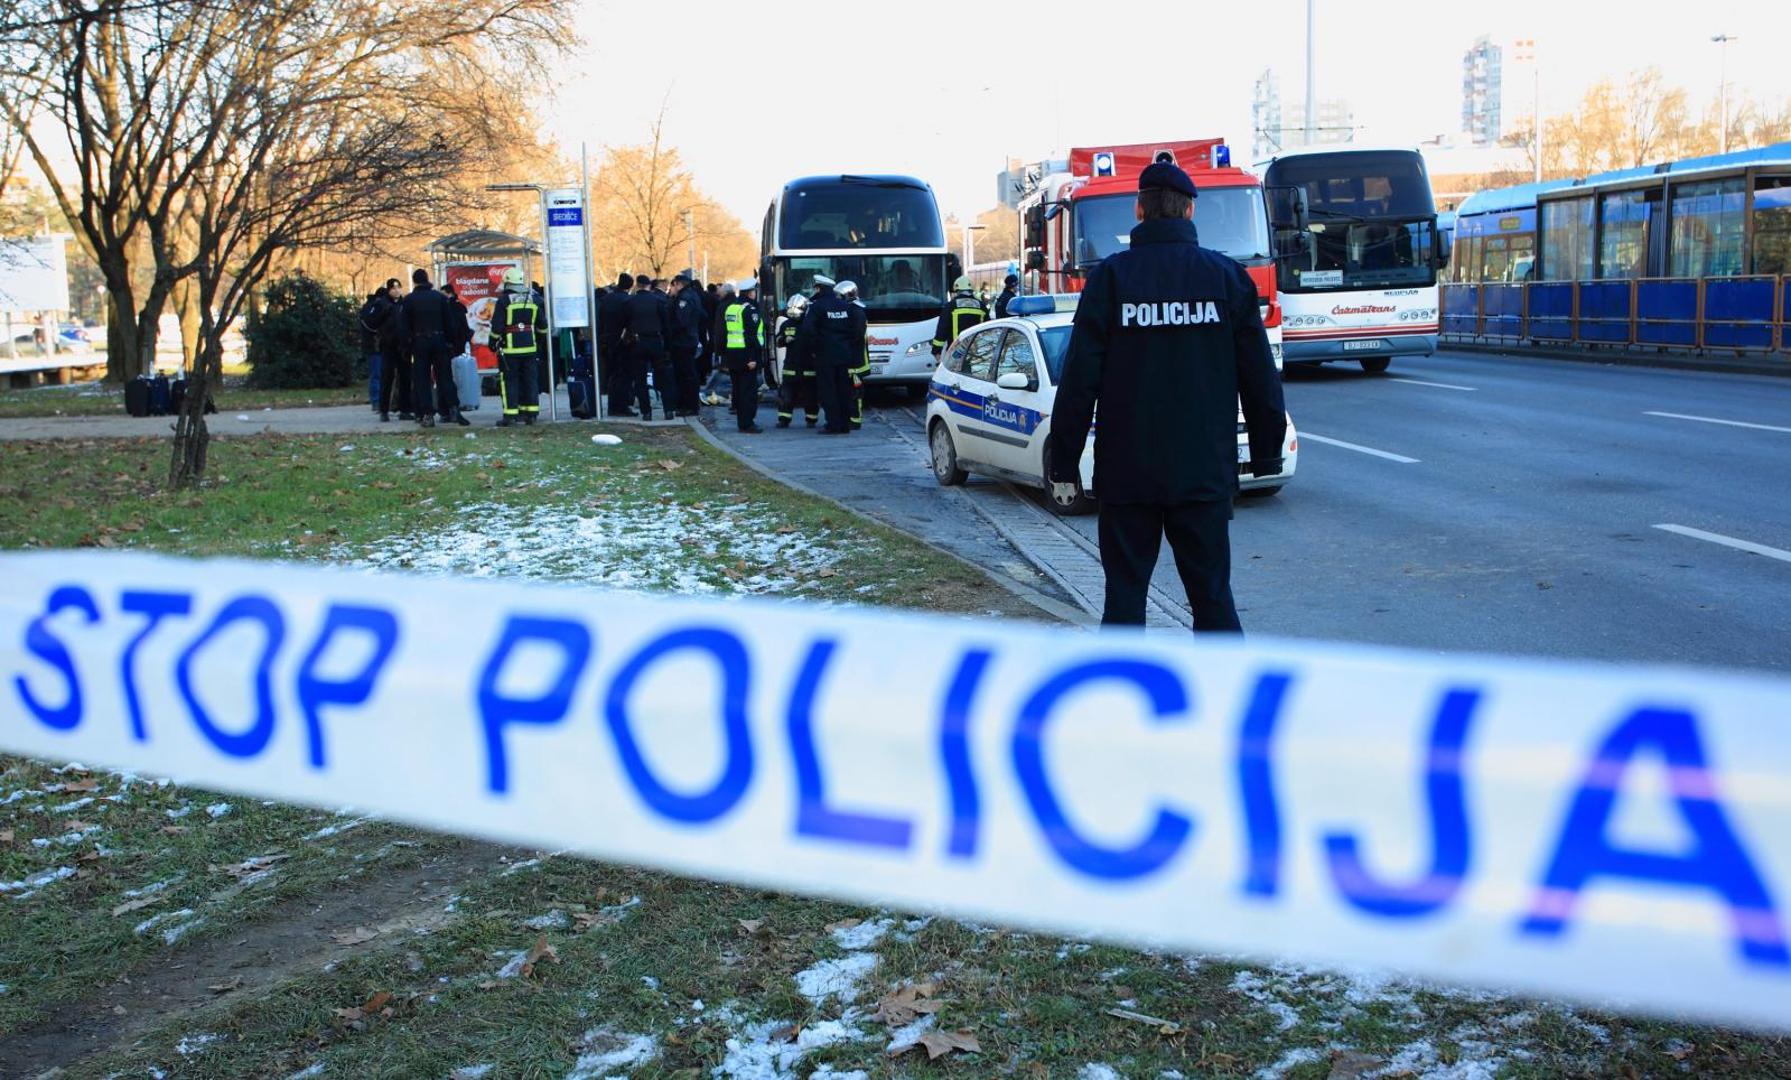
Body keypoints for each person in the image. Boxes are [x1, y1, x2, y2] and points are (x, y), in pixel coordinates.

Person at [1046, 160, 1285, 633]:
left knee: (1125, 603)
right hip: (1203, 474)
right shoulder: (1227, 279)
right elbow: (1260, 375)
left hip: (1127, 475)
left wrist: (1064, 462)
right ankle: (1222, 698)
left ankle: (1122, 700)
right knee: (1213, 599)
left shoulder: (1110, 281)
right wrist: (1265, 451)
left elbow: (1079, 380)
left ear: (1138, 210)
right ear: (1190, 211)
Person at [791, 273, 862, 435]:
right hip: (844, 355)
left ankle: (833, 424)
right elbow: (854, 330)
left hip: (825, 356)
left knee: (828, 390)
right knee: (844, 390)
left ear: (818, 288)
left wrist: (814, 349)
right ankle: (844, 424)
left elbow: (808, 331)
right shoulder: (844, 305)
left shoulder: (816, 307)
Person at [404, 268, 468, 428]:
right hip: (439, 340)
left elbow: (403, 326)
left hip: (420, 342)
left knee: (423, 379)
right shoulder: (439, 298)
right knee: (445, 376)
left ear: (415, 281)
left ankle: (427, 415)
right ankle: (453, 409)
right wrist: (450, 342)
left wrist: (407, 345)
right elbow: (450, 323)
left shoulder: (409, 300)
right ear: (427, 280)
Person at [491, 267, 545, 426]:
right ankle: (531, 414)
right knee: (530, 380)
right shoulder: (534, 299)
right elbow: (543, 326)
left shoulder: (504, 300)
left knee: (509, 380)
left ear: (507, 282)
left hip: (510, 349)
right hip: (530, 347)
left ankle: (510, 415)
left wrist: (492, 342)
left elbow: (497, 327)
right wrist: (538, 342)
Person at [721, 279, 767, 433]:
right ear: (750, 293)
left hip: (733, 354)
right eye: (754, 291)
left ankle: (742, 422)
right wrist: (752, 358)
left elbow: (725, 333)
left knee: (739, 390)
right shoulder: (750, 310)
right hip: (747, 355)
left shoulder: (731, 308)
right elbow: (751, 336)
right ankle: (748, 423)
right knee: (748, 392)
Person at [623, 273, 672, 418]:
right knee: (662, 376)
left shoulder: (630, 302)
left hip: (638, 343)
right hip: (655, 341)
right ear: (650, 285)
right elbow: (666, 325)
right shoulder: (657, 301)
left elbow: (626, 323)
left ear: (637, 285)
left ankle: (646, 412)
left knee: (640, 379)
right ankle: (668, 410)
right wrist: (667, 346)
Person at [372, 278, 413, 422]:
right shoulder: (382, 304)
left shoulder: (404, 303)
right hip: (388, 346)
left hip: (403, 346)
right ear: (388, 290)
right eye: (393, 288)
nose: (396, 290)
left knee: (405, 379)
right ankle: (384, 410)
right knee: (387, 378)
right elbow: (373, 322)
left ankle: (405, 409)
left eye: (398, 287)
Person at [774, 292, 817, 428]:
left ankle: (811, 420)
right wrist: (784, 339)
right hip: (791, 367)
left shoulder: (811, 323)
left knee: (811, 396)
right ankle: (784, 419)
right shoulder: (786, 324)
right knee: (786, 395)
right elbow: (778, 341)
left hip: (809, 366)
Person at [667, 274, 705, 416]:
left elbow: (681, 322)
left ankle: (688, 406)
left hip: (683, 341)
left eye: (673, 285)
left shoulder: (684, 298)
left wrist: (670, 331)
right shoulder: (693, 295)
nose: (671, 289)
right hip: (689, 339)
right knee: (688, 374)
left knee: (685, 375)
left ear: (678, 284)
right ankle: (689, 405)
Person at [599, 272, 636, 416]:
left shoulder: (607, 299)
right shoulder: (627, 301)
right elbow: (631, 322)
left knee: (613, 375)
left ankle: (612, 406)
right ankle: (621, 406)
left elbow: (601, 319)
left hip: (608, 340)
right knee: (624, 376)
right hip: (623, 343)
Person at [837, 279, 871, 431]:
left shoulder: (856, 312)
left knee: (855, 393)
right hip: (850, 360)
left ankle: (855, 420)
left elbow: (856, 337)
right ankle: (849, 417)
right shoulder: (852, 310)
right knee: (848, 391)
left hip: (856, 362)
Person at [930, 275, 987, 357]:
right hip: (976, 352)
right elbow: (988, 329)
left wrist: (936, 351)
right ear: (971, 290)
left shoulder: (951, 306)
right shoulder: (981, 306)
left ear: (957, 291)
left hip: (956, 352)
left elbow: (942, 329)